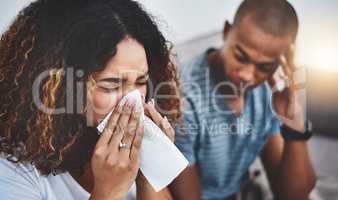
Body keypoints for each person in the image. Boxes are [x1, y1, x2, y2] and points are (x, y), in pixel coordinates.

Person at [0, 0, 179, 199]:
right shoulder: (12, 170)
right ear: (60, 89)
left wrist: (147, 172)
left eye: (140, 81)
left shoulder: (126, 150)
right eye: (111, 84)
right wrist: (108, 191)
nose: (133, 101)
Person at [170, 0, 316, 199]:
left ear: (281, 61)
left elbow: (293, 195)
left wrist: (293, 123)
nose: (247, 75)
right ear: (226, 31)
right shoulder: (182, 95)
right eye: (241, 56)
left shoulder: (269, 92)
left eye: (264, 67)